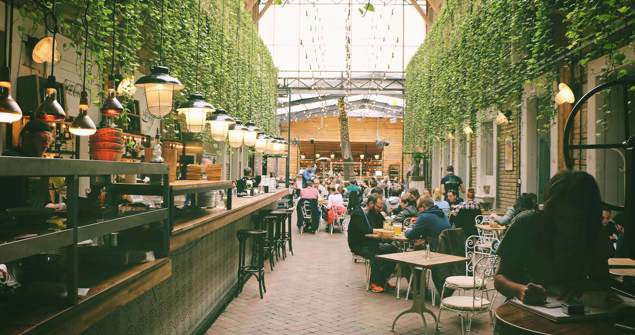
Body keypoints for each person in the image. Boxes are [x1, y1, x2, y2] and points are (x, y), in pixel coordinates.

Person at [494, 170, 609, 306]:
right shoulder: (527, 224)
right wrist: (520, 290)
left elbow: (603, 282)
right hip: (525, 311)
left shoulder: (595, 232)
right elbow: (499, 278)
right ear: (550, 209)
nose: (567, 226)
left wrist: (586, 285)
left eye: (577, 220)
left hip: (577, 313)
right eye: (560, 217)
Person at [347, 194, 399, 293]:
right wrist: (378, 231)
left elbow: (382, 224)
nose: (380, 209)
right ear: (371, 204)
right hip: (359, 245)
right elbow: (364, 231)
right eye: (378, 207)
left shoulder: (375, 213)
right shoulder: (358, 214)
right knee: (375, 253)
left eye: (381, 207)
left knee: (393, 250)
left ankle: (382, 280)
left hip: (370, 243)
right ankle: (374, 283)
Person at [0, 120, 54, 212]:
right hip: (10, 221)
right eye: (43, 139)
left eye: (49, 140)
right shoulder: (11, 160)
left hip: (36, 221)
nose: (47, 145)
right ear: (27, 138)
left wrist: (57, 206)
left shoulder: (41, 165)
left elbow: (45, 202)